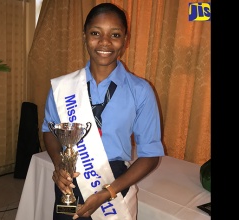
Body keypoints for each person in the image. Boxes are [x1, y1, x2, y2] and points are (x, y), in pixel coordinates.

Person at [41, 3, 165, 220]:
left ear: (125, 40)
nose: (105, 42)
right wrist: (60, 164)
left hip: (116, 182)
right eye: (96, 33)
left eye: (115, 34)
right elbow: (49, 131)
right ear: (85, 36)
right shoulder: (63, 87)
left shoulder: (140, 91)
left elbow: (151, 155)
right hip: (70, 181)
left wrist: (109, 191)